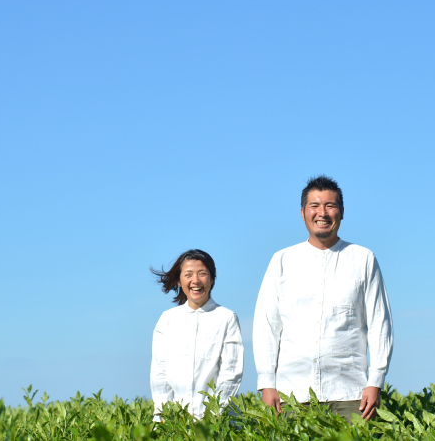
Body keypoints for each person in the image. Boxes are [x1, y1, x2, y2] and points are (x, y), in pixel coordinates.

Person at [253, 176, 393, 422]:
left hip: (351, 393)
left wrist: (376, 380)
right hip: (291, 394)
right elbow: (267, 325)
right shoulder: (282, 261)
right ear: (303, 213)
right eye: (314, 206)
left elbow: (379, 323)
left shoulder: (363, 259)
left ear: (341, 212)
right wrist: (266, 383)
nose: (322, 213)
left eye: (330, 205)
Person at [149, 249, 244, 421]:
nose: (196, 281)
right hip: (173, 421)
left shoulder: (227, 318)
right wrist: (165, 413)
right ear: (179, 281)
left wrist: (215, 414)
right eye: (188, 275)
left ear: (212, 279)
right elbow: (159, 372)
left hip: (217, 421)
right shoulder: (167, 319)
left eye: (202, 274)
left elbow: (231, 372)